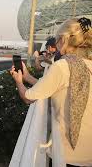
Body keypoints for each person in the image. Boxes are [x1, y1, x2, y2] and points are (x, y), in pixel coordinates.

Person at [10, 17, 92, 166]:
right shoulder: (88, 64)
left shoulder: (62, 66)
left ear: (64, 40)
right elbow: (50, 87)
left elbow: (28, 97)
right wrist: (27, 76)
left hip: (69, 155)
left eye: (57, 38)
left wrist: (19, 81)